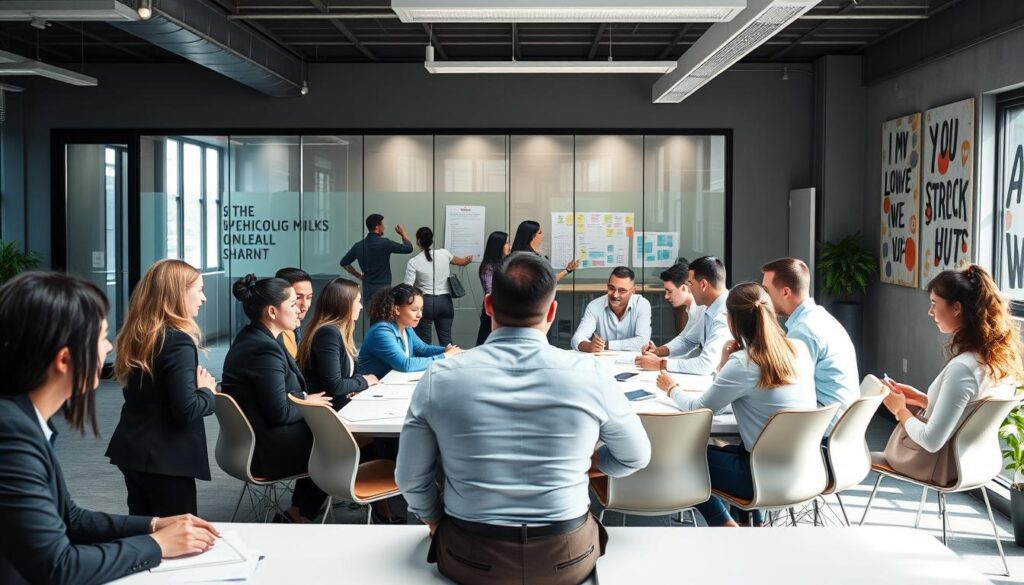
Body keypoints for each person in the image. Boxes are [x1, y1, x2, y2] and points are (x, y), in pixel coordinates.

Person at [396, 252, 651, 585]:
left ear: (488, 305)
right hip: (567, 556)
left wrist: (432, 518)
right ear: (552, 311)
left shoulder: (439, 377)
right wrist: (596, 461)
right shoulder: (591, 374)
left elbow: (410, 477)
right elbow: (636, 455)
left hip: (469, 555)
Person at [0, 271, 220, 584]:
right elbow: (59, 567)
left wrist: (153, 525)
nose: (107, 349)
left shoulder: (27, 422)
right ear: (65, 359)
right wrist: (157, 544)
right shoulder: (11, 435)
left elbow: (69, 518)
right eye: (102, 338)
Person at [655, 282, 816, 526]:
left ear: (732, 321)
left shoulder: (743, 364)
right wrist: (723, 363)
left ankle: (726, 527)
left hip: (759, 476)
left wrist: (672, 389)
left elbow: (700, 409)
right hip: (805, 469)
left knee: (681, 457)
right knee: (731, 449)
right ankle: (753, 525)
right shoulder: (800, 350)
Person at [106, 259, 217, 517]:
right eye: (199, 290)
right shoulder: (178, 342)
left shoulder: (141, 335)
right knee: (179, 539)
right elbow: (186, 409)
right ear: (178, 293)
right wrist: (208, 393)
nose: (204, 298)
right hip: (166, 460)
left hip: (134, 450)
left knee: (145, 532)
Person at [221, 275, 332, 523]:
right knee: (339, 448)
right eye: (293, 304)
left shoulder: (256, 338)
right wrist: (306, 402)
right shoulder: (263, 348)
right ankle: (299, 516)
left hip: (262, 439)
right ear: (272, 311)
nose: (300, 310)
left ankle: (298, 514)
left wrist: (304, 399)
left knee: (333, 440)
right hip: (267, 449)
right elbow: (279, 412)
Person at [881, 265, 1023, 456]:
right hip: (976, 462)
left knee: (865, 459)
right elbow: (969, 415)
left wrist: (900, 410)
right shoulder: (996, 362)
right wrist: (927, 401)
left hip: (938, 465)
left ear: (956, 308)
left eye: (934, 303)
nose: (930, 312)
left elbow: (930, 441)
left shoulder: (963, 369)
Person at [761, 257, 859, 430]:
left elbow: (788, 388)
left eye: (766, 291)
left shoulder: (804, 331)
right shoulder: (819, 317)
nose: (764, 299)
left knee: (755, 420)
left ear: (785, 292)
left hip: (823, 427)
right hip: (841, 422)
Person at [635, 256, 730, 375]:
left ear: (703, 284)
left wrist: (660, 364)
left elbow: (706, 365)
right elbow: (688, 341)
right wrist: (657, 352)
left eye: (690, 283)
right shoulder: (710, 307)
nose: (689, 288)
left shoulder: (724, 314)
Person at [298, 278, 379, 408]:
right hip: (330, 412)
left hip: (342, 406)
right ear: (344, 304)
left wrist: (355, 386)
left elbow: (349, 376)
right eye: (357, 301)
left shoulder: (340, 332)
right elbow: (335, 385)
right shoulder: (328, 334)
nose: (361, 306)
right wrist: (365, 381)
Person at [357, 284, 461, 379]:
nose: (419, 315)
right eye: (414, 310)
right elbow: (405, 364)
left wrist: (446, 350)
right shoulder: (381, 332)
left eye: (421, 309)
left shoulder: (406, 327)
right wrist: (445, 356)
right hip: (368, 391)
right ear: (397, 309)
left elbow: (423, 349)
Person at [404, 227, 473, 346]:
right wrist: (468, 260)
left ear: (418, 241)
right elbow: (462, 262)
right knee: (446, 341)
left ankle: (427, 364)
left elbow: (407, 287)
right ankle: (449, 363)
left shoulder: (414, 262)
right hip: (445, 302)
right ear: (432, 240)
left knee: (424, 342)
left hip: (426, 303)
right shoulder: (444, 254)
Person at [571, 266, 652, 353]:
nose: (615, 295)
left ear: (633, 291)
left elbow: (643, 342)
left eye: (622, 290)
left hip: (633, 362)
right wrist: (589, 346)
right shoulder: (594, 306)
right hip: (602, 362)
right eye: (611, 288)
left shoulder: (642, 304)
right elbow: (576, 338)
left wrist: (606, 345)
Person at [339, 214, 414, 306]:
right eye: (382, 225)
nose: (384, 227)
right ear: (377, 226)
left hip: (367, 288)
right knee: (383, 316)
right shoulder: (384, 243)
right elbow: (408, 248)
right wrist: (403, 234)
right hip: (383, 288)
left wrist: (358, 275)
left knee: (370, 316)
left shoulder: (359, 246)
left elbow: (344, 263)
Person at [510, 219, 580, 282]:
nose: (542, 236)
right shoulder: (529, 258)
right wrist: (568, 270)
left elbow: (549, 279)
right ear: (532, 236)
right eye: (540, 233)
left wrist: (568, 269)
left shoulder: (526, 255)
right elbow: (547, 282)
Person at [476, 230, 510, 346]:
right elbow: (490, 291)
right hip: (492, 311)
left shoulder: (502, 263)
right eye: (506, 243)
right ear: (498, 245)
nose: (509, 246)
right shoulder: (488, 268)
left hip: (501, 310)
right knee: (486, 343)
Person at [275, 267, 314, 359]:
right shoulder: (274, 335)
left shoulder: (299, 329)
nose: (305, 305)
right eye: (298, 297)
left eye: (309, 297)